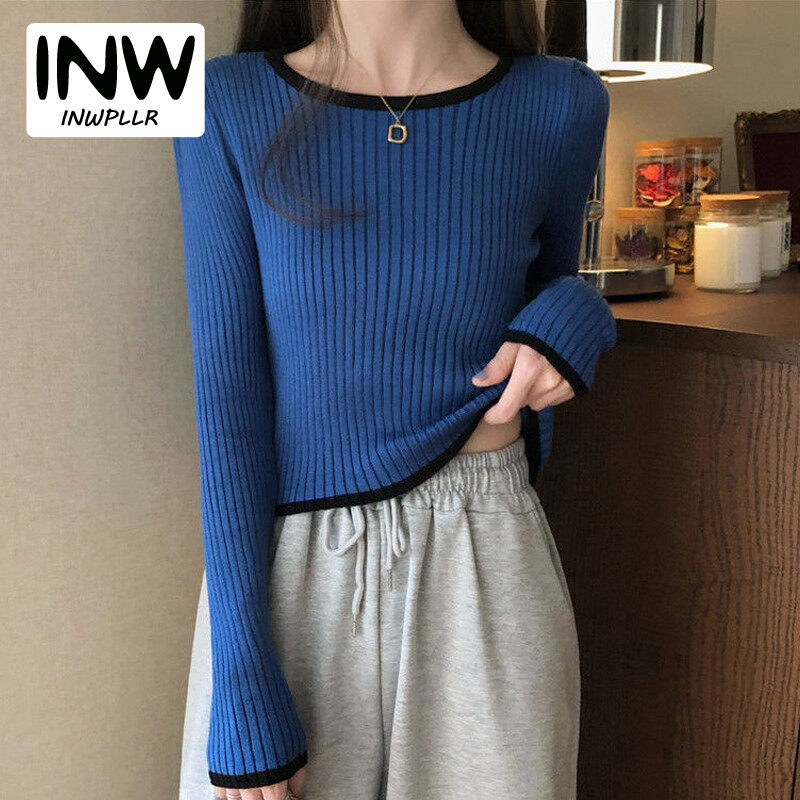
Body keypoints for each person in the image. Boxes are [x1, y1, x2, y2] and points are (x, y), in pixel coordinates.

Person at [173, 1, 615, 798]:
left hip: (486, 555)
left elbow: (551, 282)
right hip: (293, 577)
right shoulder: (223, 102)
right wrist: (240, 674)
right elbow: (228, 402)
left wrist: (580, 315)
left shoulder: (562, 101)